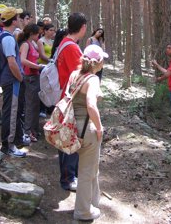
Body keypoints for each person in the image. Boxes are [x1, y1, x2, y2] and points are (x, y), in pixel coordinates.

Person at [69, 44, 107, 221]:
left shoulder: (74, 75)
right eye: (102, 60)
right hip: (87, 129)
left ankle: (93, 202)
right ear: (97, 62)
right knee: (86, 171)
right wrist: (99, 128)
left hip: (72, 127)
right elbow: (91, 105)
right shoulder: (92, 79)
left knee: (91, 169)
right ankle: (83, 212)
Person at [57, 12, 87, 191]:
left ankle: (69, 175)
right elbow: (79, 76)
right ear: (82, 27)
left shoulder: (65, 43)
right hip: (71, 100)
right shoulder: (72, 48)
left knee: (66, 138)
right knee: (71, 139)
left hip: (65, 97)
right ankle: (68, 178)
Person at [0, 7, 26, 157]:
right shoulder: (8, 38)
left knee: (9, 110)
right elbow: (12, 62)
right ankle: (8, 146)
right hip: (11, 80)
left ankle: (8, 144)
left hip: (8, 79)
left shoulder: (4, 36)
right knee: (11, 112)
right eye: (18, 17)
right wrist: (20, 78)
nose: (20, 20)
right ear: (13, 21)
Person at [18, 24, 45, 144]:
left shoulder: (33, 44)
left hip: (35, 76)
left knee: (35, 105)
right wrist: (37, 66)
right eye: (37, 33)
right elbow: (22, 60)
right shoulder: (25, 44)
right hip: (29, 77)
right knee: (30, 105)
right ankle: (27, 132)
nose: (39, 35)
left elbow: (34, 58)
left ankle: (34, 129)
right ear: (31, 33)